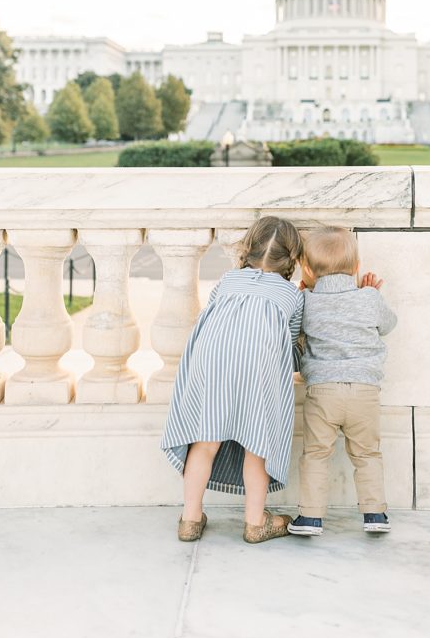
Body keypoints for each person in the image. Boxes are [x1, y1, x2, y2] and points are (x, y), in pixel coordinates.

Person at [161, 215, 303, 544]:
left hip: (212, 361)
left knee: (205, 440)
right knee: (257, 445)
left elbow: (211, 317)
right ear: (292, 259)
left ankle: (190, 519)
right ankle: (255, 523)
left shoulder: (227, 281)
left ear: (248, 249)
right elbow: (290, 347)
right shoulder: (291, 296)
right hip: (259, 367)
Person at [288, 226, 398, 537]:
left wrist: (300, 296)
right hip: (364, 391)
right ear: (356, 267)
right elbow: (388, 324)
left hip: (323, 392)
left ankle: (310, 518)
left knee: (316, 453)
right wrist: (373, 295)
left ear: (307, 269)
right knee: (367, 454)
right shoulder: (367, 297)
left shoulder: (306, 301)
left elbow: (294, 334)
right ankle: (375, 513)